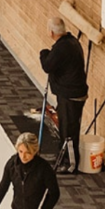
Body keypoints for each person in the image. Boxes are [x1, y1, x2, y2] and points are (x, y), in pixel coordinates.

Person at [39, 17, 88, 174]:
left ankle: (70, 164)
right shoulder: (71, 42)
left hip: (70, 95)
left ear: (51, 32)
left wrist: (43, 53)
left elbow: (47, 65)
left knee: (68, 131)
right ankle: (63, 157)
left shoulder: (62, 48)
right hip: (71, 93)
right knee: (65, 127)